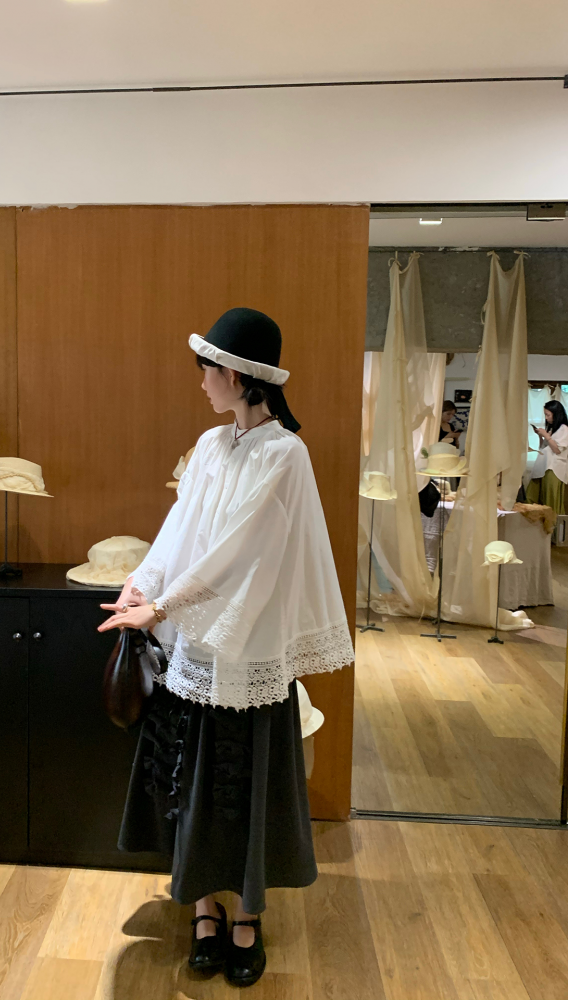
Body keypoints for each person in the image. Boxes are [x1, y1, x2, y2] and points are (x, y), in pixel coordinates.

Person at [98, 307, 354, 988]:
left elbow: (241, 550)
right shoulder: (213, 444)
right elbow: (180, 526)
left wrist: (162, 606)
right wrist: (141, 584)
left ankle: (246, 916)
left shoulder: (285, 454)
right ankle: (203, 909)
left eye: (208, 369)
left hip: (248, 648)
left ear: (238, 377)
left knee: (243, 787)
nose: (202, 381)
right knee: (191, 781)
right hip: (195, 644)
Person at [526, 399, 568, 515]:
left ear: (556, 414)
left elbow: (557, 450)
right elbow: (544, 448)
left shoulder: (564, 429)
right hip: (545, 466)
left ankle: (553, 524)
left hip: (554, 468)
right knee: (538, 496)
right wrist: (540, 436)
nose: (546, 418)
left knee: (551, 499)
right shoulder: (553, 429)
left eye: (548, 415)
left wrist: (546, 436)